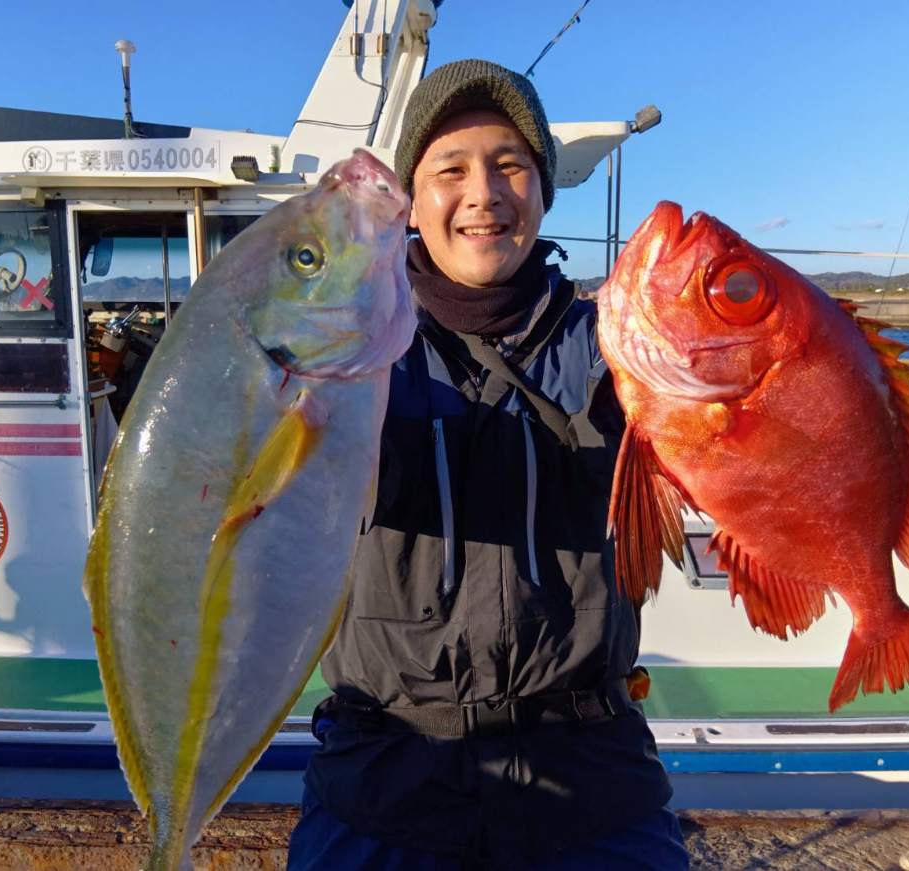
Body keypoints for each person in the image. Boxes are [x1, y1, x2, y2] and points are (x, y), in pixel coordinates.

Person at [287, 59, 688, 870]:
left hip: (590, 782)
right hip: (381, 777)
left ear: (541, 191)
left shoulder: (616, 348)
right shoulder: (342, 355)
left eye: (510, 165)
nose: (484, 193)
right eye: (450, 169)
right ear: (409, 199)